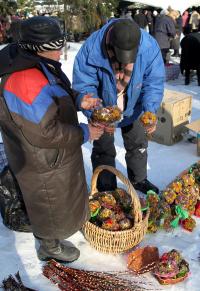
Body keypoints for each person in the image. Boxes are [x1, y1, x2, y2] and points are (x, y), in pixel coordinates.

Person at [0, 16, 103, 262]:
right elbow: (44, 132)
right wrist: (85, 132)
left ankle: (62, 227)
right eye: (57, 47)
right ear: (39, 48)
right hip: (41, 157)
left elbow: (53, 89)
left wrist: (78, 100)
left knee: (63, 194)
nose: (61, 52)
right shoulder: (23, 79)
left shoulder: (34, 62)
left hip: (54, 152)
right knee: (49, 202)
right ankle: (49, 246)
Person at [73, 19, 165, 194]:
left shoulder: (149, 47)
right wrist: (96, 113)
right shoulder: (92, 49)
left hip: (135, 105)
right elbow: (84, 85)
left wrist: (150, 110)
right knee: (103, 148)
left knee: (138, 143)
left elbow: (154, 82)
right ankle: (106, 188)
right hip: (104, 107)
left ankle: (139, 180)